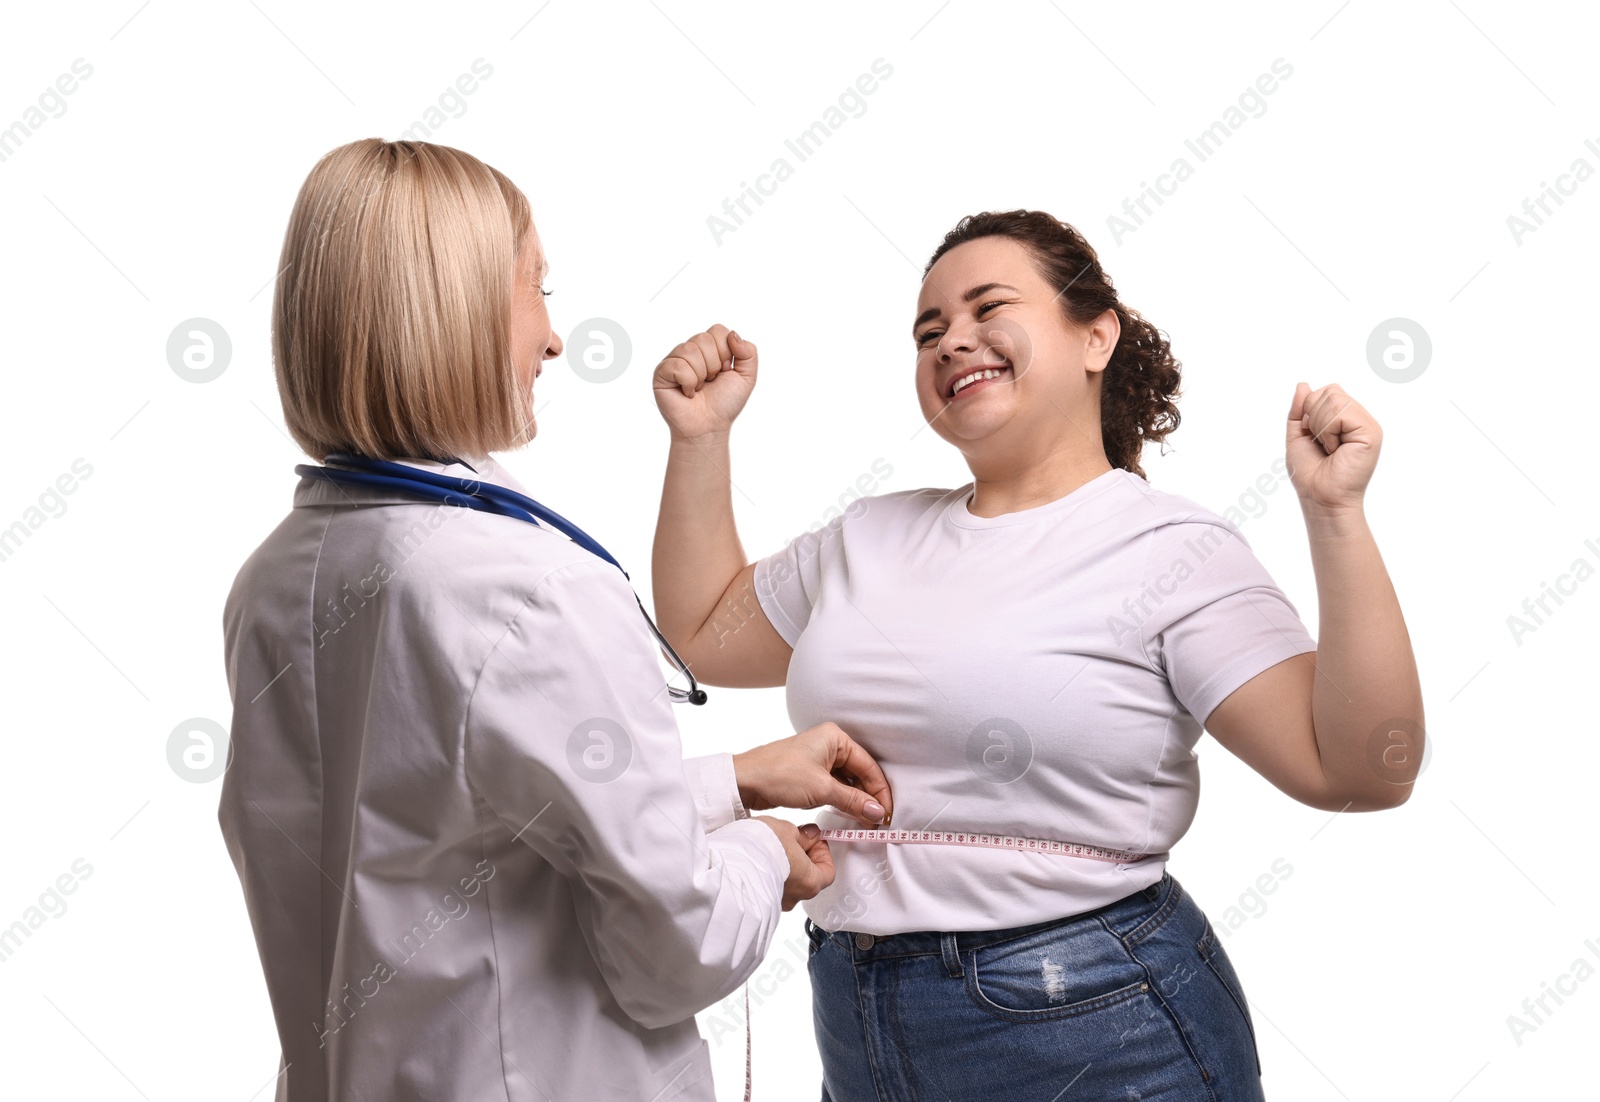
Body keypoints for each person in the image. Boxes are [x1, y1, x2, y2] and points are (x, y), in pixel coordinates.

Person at [649, 209, 1424, 1099]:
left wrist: (1335, 515)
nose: (952, 342)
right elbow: (705, 629)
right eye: (928, 331)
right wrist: (700, 439)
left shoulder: (1169, 548)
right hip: (857, 1020)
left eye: (988, 308)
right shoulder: (870, 534)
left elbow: (1361, 772)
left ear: (1097, 336)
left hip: (1098, 1023)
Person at [217, 137, 893, 1102]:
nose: (554, 339)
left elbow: (438, 829)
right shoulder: (529, 590)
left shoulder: (276, 577)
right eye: (539, 289)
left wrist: (733, 782)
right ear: (447, 310)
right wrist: (759, 856)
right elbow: (676, 946)